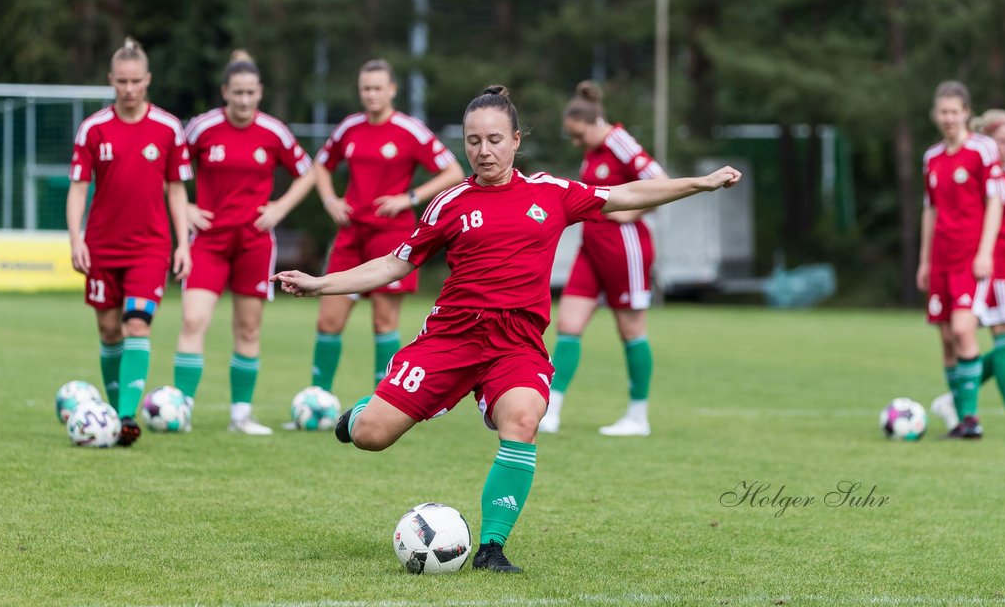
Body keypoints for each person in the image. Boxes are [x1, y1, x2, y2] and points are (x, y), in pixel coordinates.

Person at [274, 86, 740, 572]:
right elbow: (394, 265)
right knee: (372, 435)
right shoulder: (449, 204)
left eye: (494, 139)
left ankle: (492, 549)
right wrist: (322, 283)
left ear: (516, 140)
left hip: (515, 347)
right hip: (451, 339)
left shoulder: (550, 194)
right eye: (473, 141)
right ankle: (357, 417)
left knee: (522, 420)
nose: (483, 150)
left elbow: (625, 194)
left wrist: (700, 183)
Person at [172, 51, 317, 434]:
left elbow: (308, 171)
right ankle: (180, 410)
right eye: (237, 92)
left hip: (254, 243)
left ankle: (241, 415)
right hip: (208, 241)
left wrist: (280, 207)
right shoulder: (202, 128)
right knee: (192, 319)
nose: (244, 100)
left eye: (250, 92)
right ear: (225, 92)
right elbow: (167, 170)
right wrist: (185, 207)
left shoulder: (274, 132)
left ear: (260, 93)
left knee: (248, 329)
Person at [309, 60, 465, 395]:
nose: (371, 95)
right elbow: (321, 165)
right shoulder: (349, 127)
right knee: (328, 321)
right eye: (366, 88)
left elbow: (452, 171)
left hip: (391, 238)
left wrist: (409, 197)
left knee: (383, 323)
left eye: (378, 88)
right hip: (351, 236)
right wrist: (330, 200)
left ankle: (383, 404)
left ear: (392, 90)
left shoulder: (410, 129)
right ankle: (317, 398)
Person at [66, 37, 193, 446]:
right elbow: (77, 188)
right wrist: (76, 239)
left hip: (149, 248)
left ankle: (125, 418)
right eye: (121, 81)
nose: (128, 88)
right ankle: (112, 409)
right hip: (102, 245)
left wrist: (182, 244)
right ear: (110, 80)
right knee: (108, 330)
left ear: (148, 80)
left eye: (136, 81)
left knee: (135, 323)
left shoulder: (169, 128)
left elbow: (176, 189)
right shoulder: (93, 128)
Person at [539, 81, 668, 437]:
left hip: (624, 248)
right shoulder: (593, 151)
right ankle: (550, 410)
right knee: (568, 324)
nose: (577, 143)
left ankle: (638, 417)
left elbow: (661, 181)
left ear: (594, 123)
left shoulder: (619, 142)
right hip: (591, 248)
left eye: (578, 135)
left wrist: (634, 213)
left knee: (630, 330)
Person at [930, 109, 1005, 442]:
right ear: (987, 142)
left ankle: (953, 400)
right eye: (1002, 141)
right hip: (993, 268)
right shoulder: (986, 176)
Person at [916, 81, 1005, 439]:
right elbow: (930, 211)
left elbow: (996, 201)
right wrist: (924, 260)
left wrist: (985, 251)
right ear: (936, 115)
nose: (949, 118)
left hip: (970, 257)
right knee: (947, 341)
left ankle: (970, 418)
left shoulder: (983, 150)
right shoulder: (931, 158)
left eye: (955, 111)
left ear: (967, 112)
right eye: (943, 112)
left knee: (964, 329)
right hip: (940, 258)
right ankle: (956, 414)